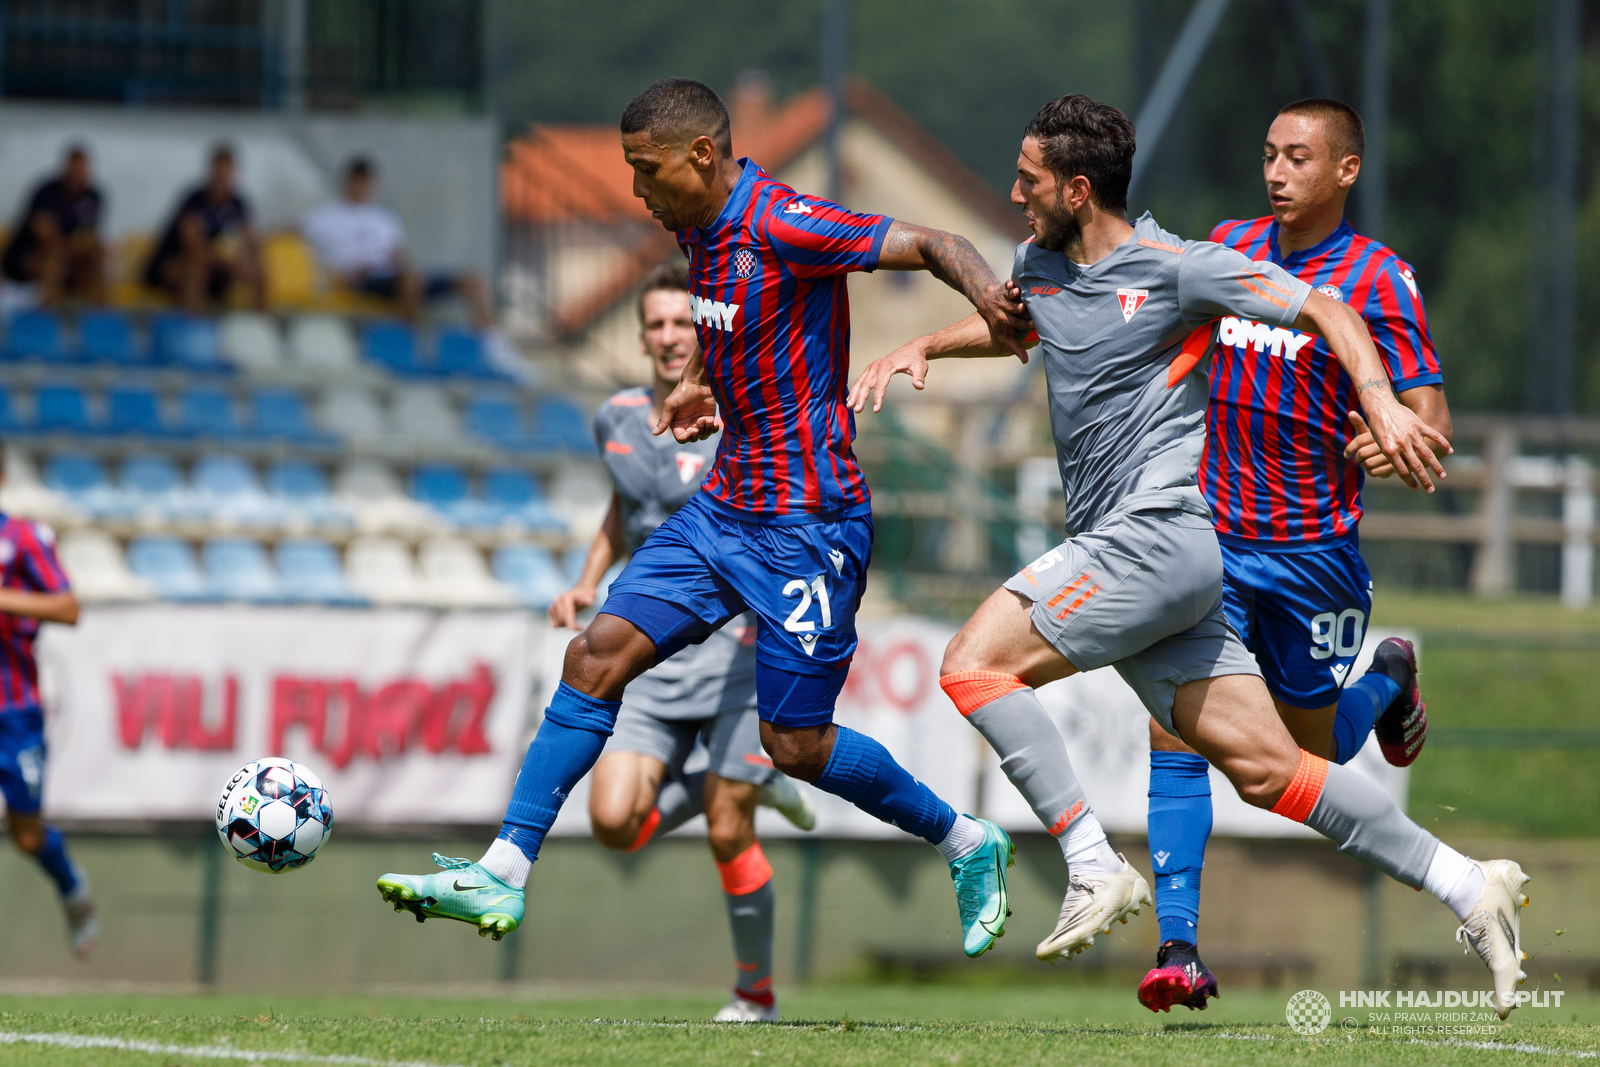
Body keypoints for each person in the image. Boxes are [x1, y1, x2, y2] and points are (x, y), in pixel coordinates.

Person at [850, 94, 1530, 1019]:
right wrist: (926, 342)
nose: (1012, 194)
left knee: (974, 665)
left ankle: (1093, 866)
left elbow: (1330, 309)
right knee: (1278, 769)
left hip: (1166, 538)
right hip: (1186, 554)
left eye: (1028, 180)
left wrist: (1379, 405)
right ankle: (1467, 883)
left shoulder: (1181, 267)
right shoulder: (1040, 266)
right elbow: (1022, 327)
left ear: (1078, 189)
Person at [377, 77, 1033, 963]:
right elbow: (743, 324)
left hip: (810, 526)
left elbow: (933, 238)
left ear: (699, 155)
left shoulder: (787, 221)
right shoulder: (695, 228)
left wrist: (989, 296)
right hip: (723, 510)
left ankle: (963, 838)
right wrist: (705, 383)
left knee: (793, 743)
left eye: (645, 171)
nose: (636, 192)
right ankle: (502, 867)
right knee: (594, 655)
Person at [1135, 97, 1454, 1014]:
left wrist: (1392, 436)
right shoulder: (1231, 245)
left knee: (1301, 765)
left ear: (1345, 171)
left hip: (1314, 558)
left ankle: (1389, 676)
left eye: (1299, 157)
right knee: (1177, 721)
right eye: (1269, 153)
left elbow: (1432, 419)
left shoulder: (1380, 279)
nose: (1277, 172)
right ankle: (1178, 947)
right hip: (1215, 541)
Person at [552, 262, 817, 1023]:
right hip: (652, 662)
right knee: (612, 824)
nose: (671, 337)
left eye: (682, 323)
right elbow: (622, 506)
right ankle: (730, 778)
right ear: (641, 337)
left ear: (702, 331)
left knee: (729, 828)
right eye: (657, 325)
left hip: (736, 657)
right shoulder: (617, 418)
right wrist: (585, 579)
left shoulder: (745, 411)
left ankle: (754, 994)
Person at [0, 440, 96, 957]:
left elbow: (68, 607)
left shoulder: (22, 538)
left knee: (28, 837)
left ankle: (72, 888)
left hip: (13, 711)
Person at [301, 157, 495, 329]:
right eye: (357, 181)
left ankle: (489, 343)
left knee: (473, 280)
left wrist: (411, 271)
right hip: (360, 280)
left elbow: (398, 254)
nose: (361, 187)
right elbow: (294, 231)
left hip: (394, 277)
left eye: (365, 181)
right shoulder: (326, 215)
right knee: (409, 281)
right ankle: (407, 341)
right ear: (347, 182)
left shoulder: (383, 217)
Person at [144, 145, 265, 312]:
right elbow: (193, 245)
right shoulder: (194, 200)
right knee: (197, 266)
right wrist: (229, 263)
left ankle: (262, 326)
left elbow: (251, 240)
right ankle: (192, 325)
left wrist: (249, 261)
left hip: (217, 268)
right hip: (172, 263)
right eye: (218, 175)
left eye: (226, 175)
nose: (222, 181)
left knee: (258, 267)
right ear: (211, 173)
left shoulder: (238, 204)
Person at [1, 145, 106, 306]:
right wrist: (70, 245)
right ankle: (46, 314)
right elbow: (42, 231)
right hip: (28, 255)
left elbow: (88, 235)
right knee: (56, 256)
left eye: (82, 171)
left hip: (70, 257)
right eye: (73, 171)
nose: (77, 177)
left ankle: (102, 318)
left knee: (99, 253)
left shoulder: (93, 196)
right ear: (65, 169)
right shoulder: (47, 192)